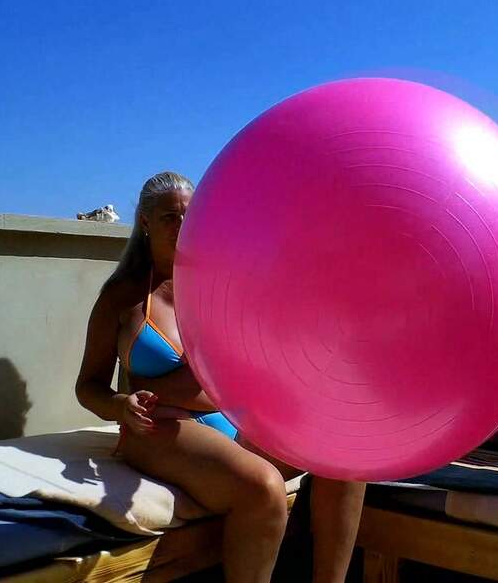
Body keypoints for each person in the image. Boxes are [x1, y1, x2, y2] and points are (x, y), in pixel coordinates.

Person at [75, 171, 366, 583]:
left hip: (229, 422)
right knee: (263, 487)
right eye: (169, 217)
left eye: (189, 216)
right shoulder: (121, 297)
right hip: (160, 429)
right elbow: (88, 386)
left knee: (344, 456)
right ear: (145, 222)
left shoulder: (220, 286)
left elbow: (260, 359)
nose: (181, 226)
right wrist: (122, 405)